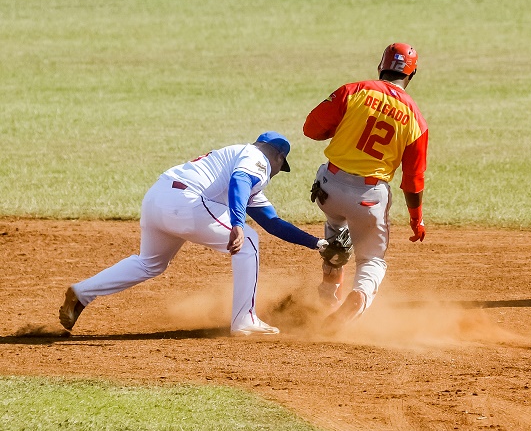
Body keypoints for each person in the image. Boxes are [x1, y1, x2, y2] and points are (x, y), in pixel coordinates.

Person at [58, 132, 329, 336]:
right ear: (278, 158)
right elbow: (240, 181)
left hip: (158, 198)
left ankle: (82, 292)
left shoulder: (238, 163)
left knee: (149, 263)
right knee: (248, 241)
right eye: (282, 166)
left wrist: (317, 243)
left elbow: (273, 222)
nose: (279, 172)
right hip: (185, 201)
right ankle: (244, 319)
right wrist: (237, 223)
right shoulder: (255, 159)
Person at [303, 42, 429, 326]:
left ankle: (327, 294)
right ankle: (358, 297)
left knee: (337, 231)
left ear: (380, 67)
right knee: (371, 260)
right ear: (412, 74)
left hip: (329, 186)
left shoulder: (354, 90)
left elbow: (310, 128)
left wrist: (342, 129)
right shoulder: (415, 118)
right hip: (369, 197)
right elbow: (413, 179)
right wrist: (416, 218)